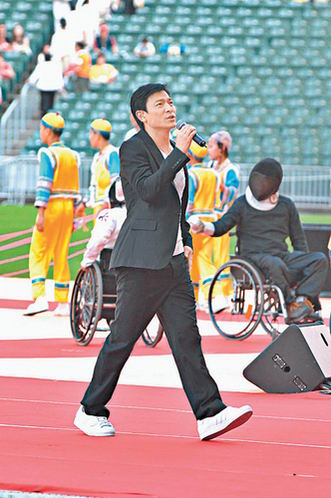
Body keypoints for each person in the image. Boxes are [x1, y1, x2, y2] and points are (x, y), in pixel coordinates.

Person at [74, 82, 253, 440]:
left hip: (172, 264)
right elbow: (147, 192)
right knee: (122, 339)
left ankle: (209, 413)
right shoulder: (132, 149)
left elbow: (176, 206)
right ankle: (90, 410)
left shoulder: (174, 151)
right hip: (141, 263)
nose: (170, 108)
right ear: (142, 115)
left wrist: (185, 241)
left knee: (187, 338)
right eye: (160, 104)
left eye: (171, 102)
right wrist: (179, 155)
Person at [189, 158, 329, 324]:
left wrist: (302, 263)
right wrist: (203, 226)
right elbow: (221, 226)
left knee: (319, 260)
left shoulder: (286, 205)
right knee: (274, 263)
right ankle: (290, 303)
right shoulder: (242, 204)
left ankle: (302, 301)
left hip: (281, 255)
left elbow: (299, 241)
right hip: (252, 257)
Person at [24, 112, 81, 317]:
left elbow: (44, 183)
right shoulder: (73, 155)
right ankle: (62, 301)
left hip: (53, 207)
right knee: (61, 252)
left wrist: (41, 211)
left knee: (38, 251)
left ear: (48, 130)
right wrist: (75, 214)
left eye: (41, 129)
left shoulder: (47, 154)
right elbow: (76, 188)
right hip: (68, 209)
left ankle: (39, 297)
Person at [186, 140, 221, 310]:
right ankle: (206, 297)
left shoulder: (191, 174)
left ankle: (202, 297)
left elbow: (190, 203)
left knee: (196, 260)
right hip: (211, 219)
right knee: (206, 258)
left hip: (195, 221)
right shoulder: (214, 173)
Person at [207, 130, 240, 310]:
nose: (209, 149)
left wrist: (219, 186)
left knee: (219, 257)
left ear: (222, 149)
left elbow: (232, 195)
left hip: (222, 219)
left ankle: (224, 295)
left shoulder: (231, 170)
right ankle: (210, 294)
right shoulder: (210, 166)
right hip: (208, 218)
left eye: (212, 146)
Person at [81, 176, 126, 270]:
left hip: (110, 266)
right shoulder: (140, 216)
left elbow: (98, 238)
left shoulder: (110, 215)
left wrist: (87, 261)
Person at [87, 118, 120, 218]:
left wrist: (105, 205)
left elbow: (116, 183)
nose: (89, 137)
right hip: (99, 209)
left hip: (108, 211)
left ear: (97, 135)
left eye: (91, 133)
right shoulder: (97, 156)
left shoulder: (112, 154)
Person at [29, 49, 64, 117]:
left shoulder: (42, 65)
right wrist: (61, 86)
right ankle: (47, 115)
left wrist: (31, 81)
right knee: (49, 102)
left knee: (45, 103)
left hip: (46, 86)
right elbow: (60, 77)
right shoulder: (55, 65)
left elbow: (34, 76)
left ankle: (46, 115)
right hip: (50, 87)